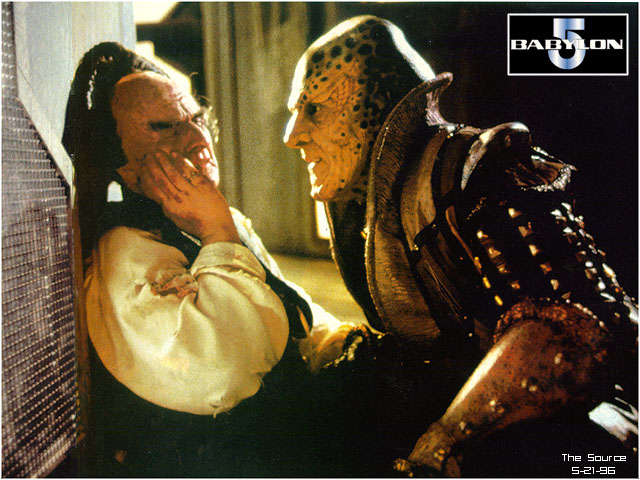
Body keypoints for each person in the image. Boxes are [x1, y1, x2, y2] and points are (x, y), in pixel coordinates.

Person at [284, 16, 638, 477]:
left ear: (373, 105)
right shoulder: (368, 202)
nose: (292, 135)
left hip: (580, 440)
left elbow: (582, 328)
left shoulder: (477, 169)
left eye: (314, 109)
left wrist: (445, 441)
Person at [62, 41, 355, 477]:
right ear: (120, 165)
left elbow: (299, 317)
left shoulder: (217, 221)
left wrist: (352, 346)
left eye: (197, 119)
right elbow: (225, 372)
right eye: (164, 127)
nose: (196, 138)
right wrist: (217, 232)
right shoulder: (126, 252)